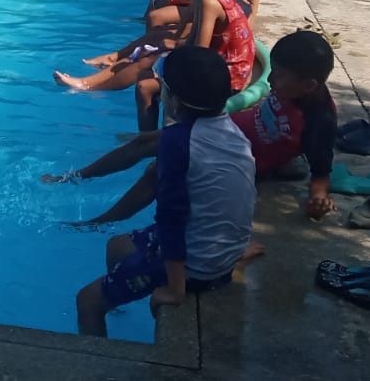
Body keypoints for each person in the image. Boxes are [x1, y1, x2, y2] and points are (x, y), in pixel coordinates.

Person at [44, 30, 337, 224]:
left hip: (232, 151)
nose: (270, 80)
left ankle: (101, 221)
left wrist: (318, 199)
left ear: (309, 85)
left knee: (156, 170)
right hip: (228, 127)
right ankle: (76, 176)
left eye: (279, 76)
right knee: (147, 141)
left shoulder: (318, 121)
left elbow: (321, 172)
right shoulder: (294, 90)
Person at [72, 46, 255, 337]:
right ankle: (117, 300)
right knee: (116, 247)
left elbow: (171, 218)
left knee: (86, 302)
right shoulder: (232, 133)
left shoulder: (178, 144)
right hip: (222, 251)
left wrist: (175, 287)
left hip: (197, 268)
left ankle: (101, 350)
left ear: (172, 98)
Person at [132, 0, 256, 130]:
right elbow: (193, 42)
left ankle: (151, 139)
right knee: (149, 68)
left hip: (229, 78)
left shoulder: (209, 2)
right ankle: (150, 138)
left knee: (145, 87)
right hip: (223, 68)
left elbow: (199, 54)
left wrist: (169, 55)